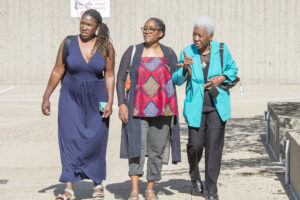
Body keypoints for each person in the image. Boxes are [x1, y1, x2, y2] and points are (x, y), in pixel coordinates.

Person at [41, 9, 115, 200]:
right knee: (69, 139)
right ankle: (69, 188)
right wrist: (46, 96)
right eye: (82, 23)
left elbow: (109, 74)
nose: (84, 27)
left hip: (96, 99)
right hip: (70, 98)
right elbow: (58, 70)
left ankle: (97, 183)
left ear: (97, 27)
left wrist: (110, 101)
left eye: (89, 24)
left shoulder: (106, 47)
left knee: (96, 140)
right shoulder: (68, 43)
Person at [172, 15, 238, 200]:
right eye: (194, 35)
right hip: (196, 106)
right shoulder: (187, 52)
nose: (196, 39)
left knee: (214, 147)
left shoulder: (221, 49)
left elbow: (232, 70)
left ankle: (211, 188)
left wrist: (221, 78)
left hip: (217, 106)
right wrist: (184, 69)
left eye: (200, 36)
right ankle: (195, 177)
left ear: (210, 36)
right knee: (195, 145)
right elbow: (177, 80)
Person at [117, 18, 181, 200]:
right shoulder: (133, 51)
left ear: (160, 33)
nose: (147, 31)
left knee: (157, 149)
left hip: (163, 109)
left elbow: (176, 79)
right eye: (144, 28)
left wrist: (185, 71)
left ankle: (151, 188)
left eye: (151, 29)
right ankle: (134, 190)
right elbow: (121, 78)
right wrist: (122, 103)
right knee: (136, 147)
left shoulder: (168, 53)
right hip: (137, 109)